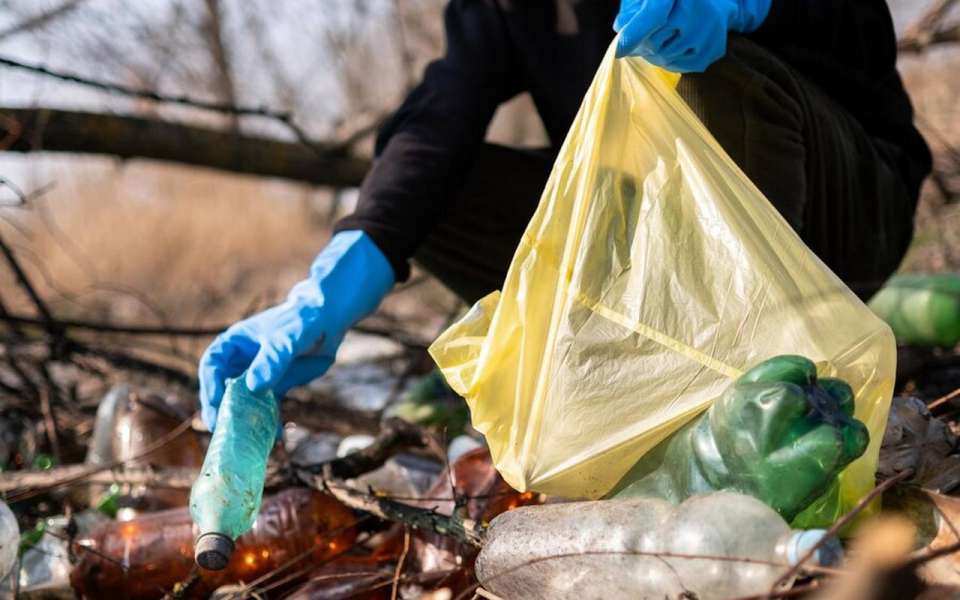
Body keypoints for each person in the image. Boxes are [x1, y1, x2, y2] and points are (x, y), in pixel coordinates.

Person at [198, 0, 931, 430]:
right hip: (660, 240)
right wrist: (339, 276)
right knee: (440, 192)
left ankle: (762, 391)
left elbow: (857, 25)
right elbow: (437, 118)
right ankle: (648, 381)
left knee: (718, 75)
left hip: (840, 215)